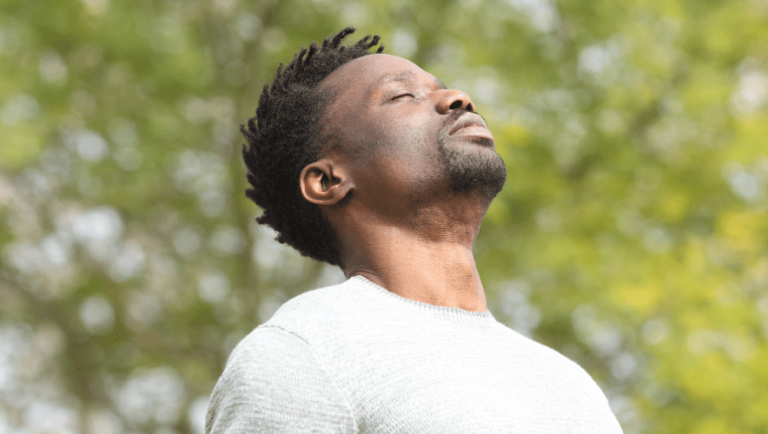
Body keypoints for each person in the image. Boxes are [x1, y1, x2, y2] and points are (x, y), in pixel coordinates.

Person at [206, 26, 623, 433]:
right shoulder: (303, 351)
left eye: (442, 87)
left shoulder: (567, 384)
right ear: (327, 181)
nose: (457, 98)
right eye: (402, 96)